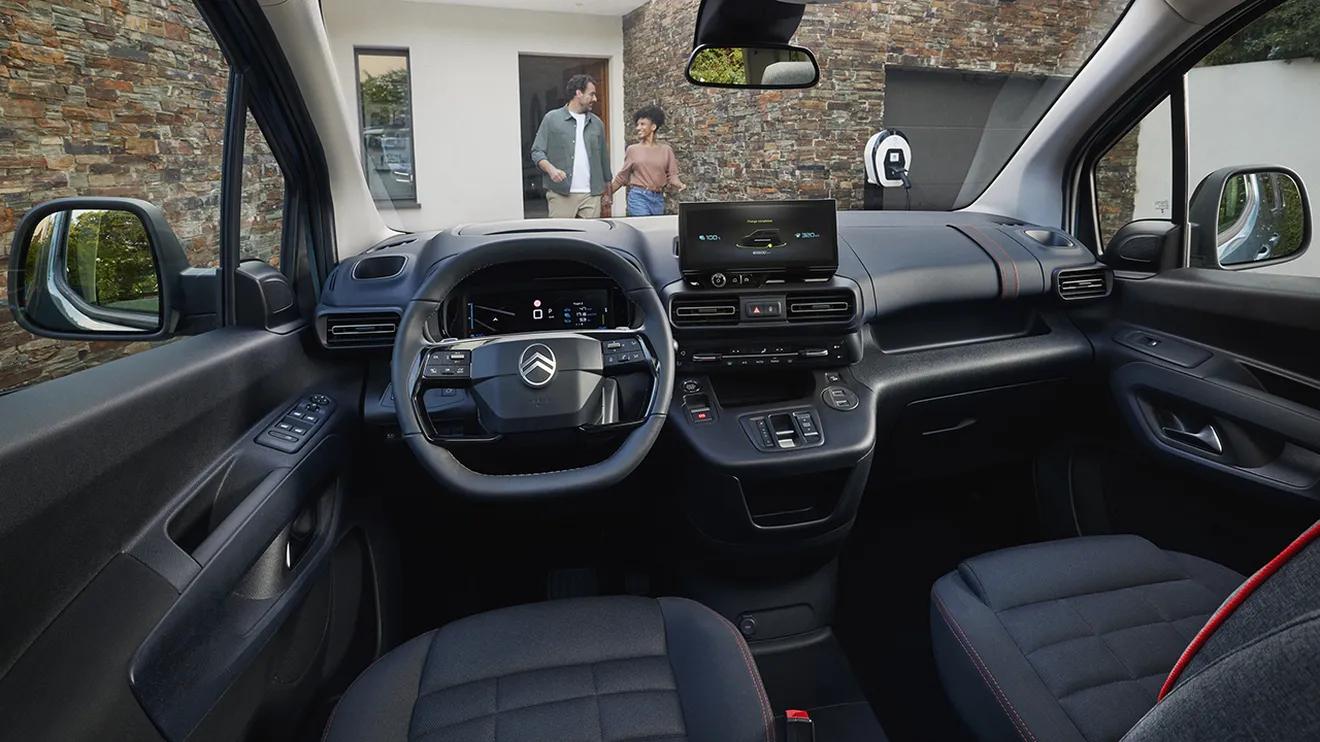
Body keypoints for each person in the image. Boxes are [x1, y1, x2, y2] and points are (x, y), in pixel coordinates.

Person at [530, 74, 613, 219]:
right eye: (591, 94)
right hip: (561, 193)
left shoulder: (597, 123)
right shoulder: (552, 119)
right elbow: (537, 151)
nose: (595, 99)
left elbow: (603, 159)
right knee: (561, 238)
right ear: (578, 93)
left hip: (591, 194)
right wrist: (551, 170)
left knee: (591, 238)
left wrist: (609, 192)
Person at [606, 105, 685, 216]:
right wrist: (607, 195)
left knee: (654, 232)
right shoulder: (633, 150)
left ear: (653, 127)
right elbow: (622, 177)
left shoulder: (666, 150)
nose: (638, 128)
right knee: (643, 226)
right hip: (638, 197)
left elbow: (672, 175)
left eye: (642, 124)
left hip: (658, 198)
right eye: (637, 124)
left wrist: (679, 183)